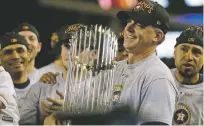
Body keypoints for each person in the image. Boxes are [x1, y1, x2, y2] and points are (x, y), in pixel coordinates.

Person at [113, 0, 178, 125]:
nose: (129, 28)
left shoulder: (158, 77)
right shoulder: (115, 69)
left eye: (140, 24)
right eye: (129, 21)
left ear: (157, 36)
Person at [19, 23, 96, 125]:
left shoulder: (101, 90)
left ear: (93, 54)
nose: (70, 52)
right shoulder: (40, 88)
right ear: (61, 48)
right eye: (67, 46)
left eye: (79, 47)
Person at [171, 26, 203, 125]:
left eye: (196, 52)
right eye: (184, 49)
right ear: (175, 53)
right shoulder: (158, 80)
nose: (189, 57)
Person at [0, 32, 32, 114]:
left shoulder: (40, 89)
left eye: (20, 50)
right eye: (8, 52)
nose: (15, 56)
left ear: (29, 54)